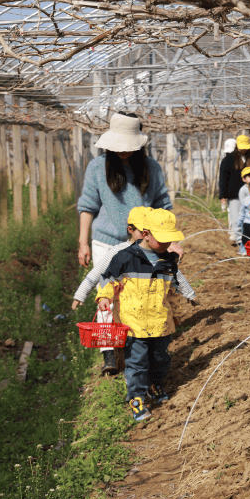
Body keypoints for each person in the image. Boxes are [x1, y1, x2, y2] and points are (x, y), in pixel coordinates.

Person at [77, 112, 172, 375]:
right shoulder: (97, 168)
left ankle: (138, 346)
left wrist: (171, 242)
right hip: (106, 243)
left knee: (138, 295)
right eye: (118, 147)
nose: (122, 152)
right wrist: (83, 242)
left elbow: (163, 206)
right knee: (107, 294)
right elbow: (87, 207)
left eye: (128, 147)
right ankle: (109, 352)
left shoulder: (151, 168)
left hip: (142, 245)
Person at [96, 209, 196, 422]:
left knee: (161, 359)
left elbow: (172, 289)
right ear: (147, 234)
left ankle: (155, 385)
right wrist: (104, 297)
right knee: (137, 363)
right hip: (134, 323)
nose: (166, 244)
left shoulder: (168, 260)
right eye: (162, 239)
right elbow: (107, 280)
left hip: (160, 322)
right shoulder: (125, 258)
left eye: (169, 239)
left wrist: (181, 304)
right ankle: (136, 398)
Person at [72, 206, 151, 311]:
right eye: (142, 232)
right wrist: (81, 294)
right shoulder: (118, 251)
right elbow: (97, 272)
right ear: (130, 229)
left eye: (150, 232)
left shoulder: (155, 252)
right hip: (124, 310)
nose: (146, 236)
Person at [219, 134, 250, 245]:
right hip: (233, 194)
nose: (243, 150)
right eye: (241, 148)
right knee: (236, 218)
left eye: (245, 148)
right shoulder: (228, 159)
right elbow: (223, 178)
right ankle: (240, 242)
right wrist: (222, 195)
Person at [236, 166, 250, 256]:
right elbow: (243, 205)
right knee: (245, 236)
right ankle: (243, 249)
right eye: (249, 177)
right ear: (244, 179)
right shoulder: (243, 190)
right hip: (247, 218)